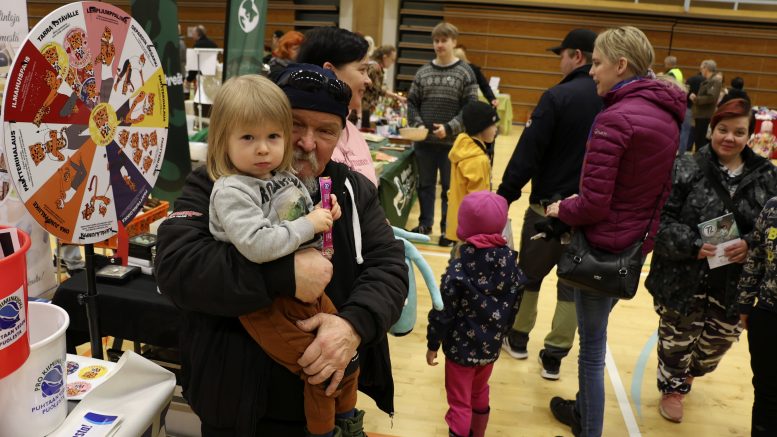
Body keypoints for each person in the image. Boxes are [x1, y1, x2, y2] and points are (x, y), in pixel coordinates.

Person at [154, 63, 408, 437]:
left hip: (328, 399)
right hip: (238, 409)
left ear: (341, 135)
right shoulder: (218, 183)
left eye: (325, 131)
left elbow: (389, 268)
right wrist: (281, 276)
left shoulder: (353, 190)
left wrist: (352, 325)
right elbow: (176, 267)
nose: (307, 142)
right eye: (295, 125)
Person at [545, 26, 685, 437]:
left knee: (591, 351)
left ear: (621, 65)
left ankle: (590, 427)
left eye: (599, 63)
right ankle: (582, 414)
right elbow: (657, 193)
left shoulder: (616, 118)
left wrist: (560, 208)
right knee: (595, 338)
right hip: (631, 247)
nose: (592, 71)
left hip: (602, 247)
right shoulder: (668, 117)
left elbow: (593, 203)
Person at [204, 74, 360, 437]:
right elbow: (257, 244)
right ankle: (325, 432)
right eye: (248, 138)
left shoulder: (281, 175)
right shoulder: (230, 190)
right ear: (222, 141)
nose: (263, 149)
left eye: (273, 137)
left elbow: (296, 210)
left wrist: (326, 211)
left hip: (308, 297)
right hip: (266, 307)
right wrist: (309, 224)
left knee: (347, 359)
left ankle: (350, 419)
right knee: (318, 372)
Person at [645, 98, 777, 424]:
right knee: (677, 338)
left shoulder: (766, 176)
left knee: (713, 347)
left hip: (734, 282)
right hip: (683, 276)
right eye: (722, 129)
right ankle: (672, 387)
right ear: (711, 130)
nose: (729, 138)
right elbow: (657, 221)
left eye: (738, 131)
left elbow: (769, 227)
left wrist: (748, 244)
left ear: (749, 135)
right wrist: (692, 243)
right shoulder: (684, 167)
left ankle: (690, 375)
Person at [498, 28, 601, 381]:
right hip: (589, 214)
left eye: (562, 54)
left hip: (548, 210)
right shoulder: (613, 100)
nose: (560, 61)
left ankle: (518, 338)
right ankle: (554, 357)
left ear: (576, 56)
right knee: (572, 285)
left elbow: (529, 151)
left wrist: (505, 193)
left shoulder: (558, 96)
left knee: (528, 276)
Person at [426, 190, 526, 437]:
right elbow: (515, 303)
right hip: (490, 348)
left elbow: (443, 312)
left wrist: (433, 342)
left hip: (460, 351)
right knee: (480, 392)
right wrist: (503, 332)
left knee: (459, 402)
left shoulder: (458, 270)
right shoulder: (512, 265)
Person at [406, 22, 478, 246]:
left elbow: (471, 107)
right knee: (425, 186)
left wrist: (449, 128)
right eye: (436, 40)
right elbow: (411, 103)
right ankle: (425, 225)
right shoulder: (423, 72)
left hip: (453, 145)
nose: (439, 45)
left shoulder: (465, 72)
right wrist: (418, 125)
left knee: (451, 189)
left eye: (443, 40)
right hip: (424, 143)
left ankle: (448, 230)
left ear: (453, 42)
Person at [297, 27, 378, 187]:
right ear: (329, 72)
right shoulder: (296, 141)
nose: (368, 80)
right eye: (362, 70)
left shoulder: (353, 133)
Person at [738, 196, 777, 437]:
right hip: (768, 313)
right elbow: (756, 257)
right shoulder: (773, 207)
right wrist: (745, 302)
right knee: (767, 393)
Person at [444, 101, 498, 245]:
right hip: (472, 229)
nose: (495, 129)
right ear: (481, 127)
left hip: (460, 221)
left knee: (456, 263)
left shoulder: (464, 147)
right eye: (492, 125)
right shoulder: (477, 159)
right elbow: (478, 202)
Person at [361, 45, 406, 129]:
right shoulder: (375, 68)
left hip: (364, 107)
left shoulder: (373, 65)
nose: (392, 63)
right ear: (385, 57)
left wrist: (397, 97)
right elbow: (379, 90)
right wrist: (397, 96)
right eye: (392, 60)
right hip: (363, 108)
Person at [691, 59, 722, 155]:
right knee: (698, 139)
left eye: (701, 68)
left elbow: (711, 97)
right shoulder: (709, 80)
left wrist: (697, 99)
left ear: (706, 68)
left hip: (704, 115)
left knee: (700, 141)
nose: (700, 71)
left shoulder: (715, 81)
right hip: (701, 114)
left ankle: (700, 161)